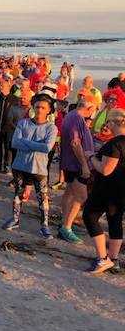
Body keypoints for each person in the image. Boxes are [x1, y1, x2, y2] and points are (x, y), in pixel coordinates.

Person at [2, 95, 58, 238]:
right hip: (20, 165)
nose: (39, 109)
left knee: (42, 197)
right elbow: (14, 143)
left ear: (49, 110)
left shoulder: (52, 128)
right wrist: (36, 145)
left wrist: (25, 142)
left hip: (39, 169)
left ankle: (44, 225)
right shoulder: (23, 122)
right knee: (18, 194)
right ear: (33, 107)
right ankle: (15, 219)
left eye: (43, 107)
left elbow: (47, 148)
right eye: (37, 106)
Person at [83, 109, 125, 273]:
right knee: (115, 220)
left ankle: (103, 258)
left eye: (108, 122)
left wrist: (91, 157)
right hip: (122, 190)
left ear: (114, 123)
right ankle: (113, 259)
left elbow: (105, 169)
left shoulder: (114, 144)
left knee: (90, 216)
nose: (106, 125)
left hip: (108, 189)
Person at [58, 97, 97, 244]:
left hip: (70, 163)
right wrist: (85, 165)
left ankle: (65, 224)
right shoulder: (76, 119)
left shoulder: (71, 115)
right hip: (76, 165)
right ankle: (67, 228)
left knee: (69, 193)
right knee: (81, 197)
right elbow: (75, 143)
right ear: (90, 109)